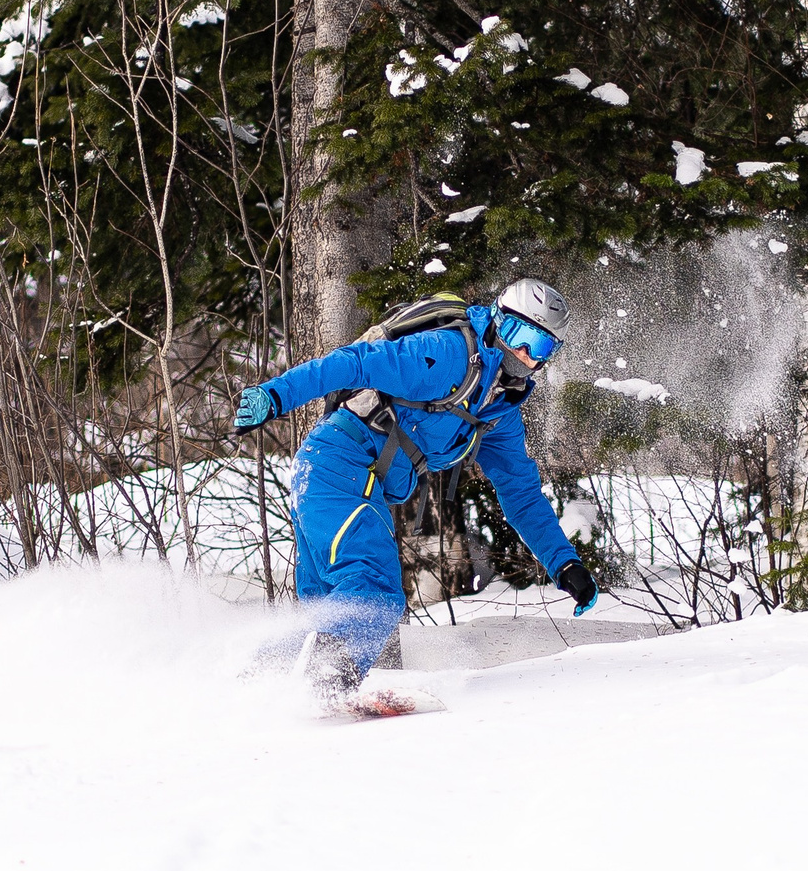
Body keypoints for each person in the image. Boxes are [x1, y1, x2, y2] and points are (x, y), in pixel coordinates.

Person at [234, 277, 597, 698]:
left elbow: (521, 494)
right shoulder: (446, 355)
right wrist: (275, 396)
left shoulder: (498, 411)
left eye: (542, 346)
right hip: (337, 467)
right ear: (499, 321)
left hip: (345, 478)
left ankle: (253, 693)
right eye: (520, 335)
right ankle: (323, 692)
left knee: (326, 613)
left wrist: (563, 563)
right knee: (373, 591)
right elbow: (354, 363)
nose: (526, 354)